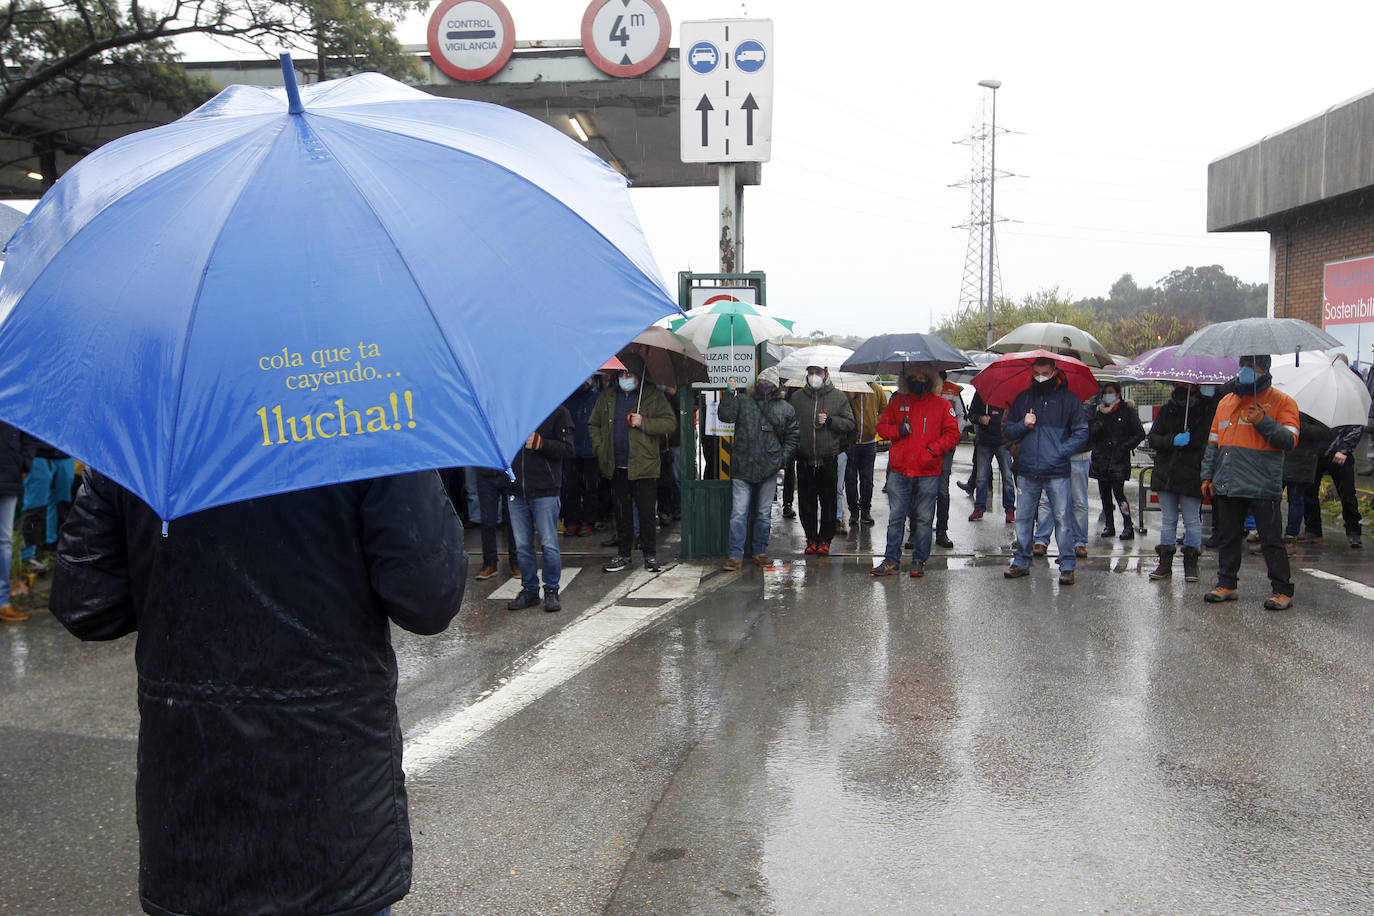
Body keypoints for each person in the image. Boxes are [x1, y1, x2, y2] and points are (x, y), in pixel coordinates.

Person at [49, 469, 466, 916]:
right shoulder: (367, 417)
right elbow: (428, 598)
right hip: (333, 808)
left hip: (194, 808)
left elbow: (87, 603)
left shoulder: (148, 429)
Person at [1200, 354, 1299, 610]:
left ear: (1264, 370)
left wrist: (1263, 422)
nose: (1244, 371)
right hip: (1228, 481)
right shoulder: (1226, 401)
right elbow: (1213, 443)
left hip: (1263, 484)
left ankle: (1282, 589)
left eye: (1250, 367)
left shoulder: (1282, 402)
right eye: (1242, 366)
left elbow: (1289, 441)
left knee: (1270, 540)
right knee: (1228, 537)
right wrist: (1207, 475)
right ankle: (1227, 583)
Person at [1002, 356, 1089, 584]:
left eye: (1045, 373)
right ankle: (1021, 561)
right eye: (1037, 373)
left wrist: (1061, 451)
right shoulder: (1024, 399)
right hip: (1028, 468)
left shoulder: (1069, 400)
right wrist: (1023, 424)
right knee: (1023, 518)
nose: (1040, 378)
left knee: (1062, 519)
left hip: (1057, 469)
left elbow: (1081, 431)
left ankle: (1067, 565)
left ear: (1054, 371)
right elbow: (1009, 430)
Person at [589, 352, 675, 573]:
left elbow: (669, 423)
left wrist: (644, 422)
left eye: (629, 374)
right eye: (622, 373)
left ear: (639, 376)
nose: (625, 378)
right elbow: (594, 424)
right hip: (616, 466)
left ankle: (650, 555)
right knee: (621, 513)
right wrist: (601, 448)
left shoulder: (653, 397)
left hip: (644, 467)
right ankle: (623, 554)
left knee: (647, 513)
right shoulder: (608, 396)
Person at [871, 365, 960, 577]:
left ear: (931, 380)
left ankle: (919, 560)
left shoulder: (942, 405)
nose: (919, 380)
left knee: (923, 519)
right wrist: (897, 431)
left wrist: (932, 450)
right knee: (896, 518)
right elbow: (881, 427)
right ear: (907, 379)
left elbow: (952, 434)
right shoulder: (897, 402)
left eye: (923, 377)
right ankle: (891, 559)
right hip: (900, 470)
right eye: (914, 377)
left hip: (928, 471)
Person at [718, 374, 799, 569]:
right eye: (762, 381)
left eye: (769, 382)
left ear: (775, 385)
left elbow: (793, 435)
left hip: (768, 469)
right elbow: (725, 416)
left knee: (763, 514)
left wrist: (781, 459)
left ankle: (760, 551)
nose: (765, 385)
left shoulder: (785, 408)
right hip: (743, 466)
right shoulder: (742, 401)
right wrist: (729, 395)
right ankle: (735, 554)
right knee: (738, 513)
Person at [1145, 382, 1218, 582]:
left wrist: (1191, 443)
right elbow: (1153, 438)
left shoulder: (1206, 409)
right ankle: (1165, 563)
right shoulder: (1167, 409)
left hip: (1191, 473)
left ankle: (1191, 563)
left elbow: (1208, 441)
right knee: (1168, 520)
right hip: (1166, 473)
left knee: (1192, 520)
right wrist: (1172, 440)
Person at [506, 406, 575, 612]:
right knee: (522, 546)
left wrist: (541, 444)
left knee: (548, 543)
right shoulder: (511, 412)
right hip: (516, 488)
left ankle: (551, 590)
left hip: (545, 488)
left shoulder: (558, 411)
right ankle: (529, 590)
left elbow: (568, 448)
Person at [789, 364, 856, 555]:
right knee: (806, 503)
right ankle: (811, 538)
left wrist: (830, 421)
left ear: (826, 374)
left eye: (817, 372)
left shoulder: (838, 397)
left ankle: (825, 540)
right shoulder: (797, 398)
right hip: (804, 460)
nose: (813, 376)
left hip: (828, 459)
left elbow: (850, 423)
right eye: (810, 372)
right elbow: (790, 425)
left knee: (828, 502)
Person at [1088, 381, 1146, 541]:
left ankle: (1128, 525)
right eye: (1105, 392)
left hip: (1118, 460)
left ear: (1118, 394)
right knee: (1104, 495)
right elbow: (1090, 435)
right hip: (1101, 459)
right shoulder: (1097, 412)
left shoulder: (1126, 411)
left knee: (1119, 493)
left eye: (1111, 392)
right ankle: (1109, 524)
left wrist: (1124, 447)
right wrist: (1096, 427)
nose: (1108, 395)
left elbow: (1139, 433)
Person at [17, 436, 74, 573]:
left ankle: (54, 548)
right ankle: (27, 556)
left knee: (63, 505)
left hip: (64, 453)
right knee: (35, 508)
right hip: (38, 454)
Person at [1306, 421, 1365, 548]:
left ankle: (1353, 531)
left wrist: (1344, 449)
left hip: (1340, 454)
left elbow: (1357, 427)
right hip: (1315, 453)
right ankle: (1312, 530)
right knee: (1309, 492)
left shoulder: (1348, 406)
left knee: (1347, 493)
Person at [966, 390, 1015, 524]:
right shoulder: (981, 393)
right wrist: (980, 419)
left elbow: (1016, 415)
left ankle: (1010, 509)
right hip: (984, 441)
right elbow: (971, 415)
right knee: (981, 477)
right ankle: (979, 508)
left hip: (1003, 442)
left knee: (1007, 477)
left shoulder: (1009, 393)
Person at [561, 377, 602, 537]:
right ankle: (572, 521)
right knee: (571, 489)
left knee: (591, 489)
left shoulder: (597, 398)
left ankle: (588, 521)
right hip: (572, 451)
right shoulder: (568, 398)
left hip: (591, 452)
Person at [0, 421, 32, 622]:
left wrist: (24, 463)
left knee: (4, 541)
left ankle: (3, 601)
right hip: (11, 471)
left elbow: (28, 431)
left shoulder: (13, 393)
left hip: (9, 473)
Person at [845, 380, 888, 528]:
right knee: (850, 480)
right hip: (851, 443)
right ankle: (853, 512)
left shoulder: (877, 389)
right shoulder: (850, 387)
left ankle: (865, 511)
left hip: (869, 442)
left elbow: (884, 409)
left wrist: (877, 423)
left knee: (867, 479)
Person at [933, 371, 967, 548]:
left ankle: (942, 531)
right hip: (927, 447)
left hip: (946, 447)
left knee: (942, 491)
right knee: (921, 491)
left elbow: (961, 416)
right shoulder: (924, 389)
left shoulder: (953, 390)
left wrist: (955, 435)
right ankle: (916, 531)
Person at [473, 466, 518, 581]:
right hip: (486, 471)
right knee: (487, 521)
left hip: (509, 469)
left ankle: (516, 562)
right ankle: (490, 562)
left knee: (514, 519)